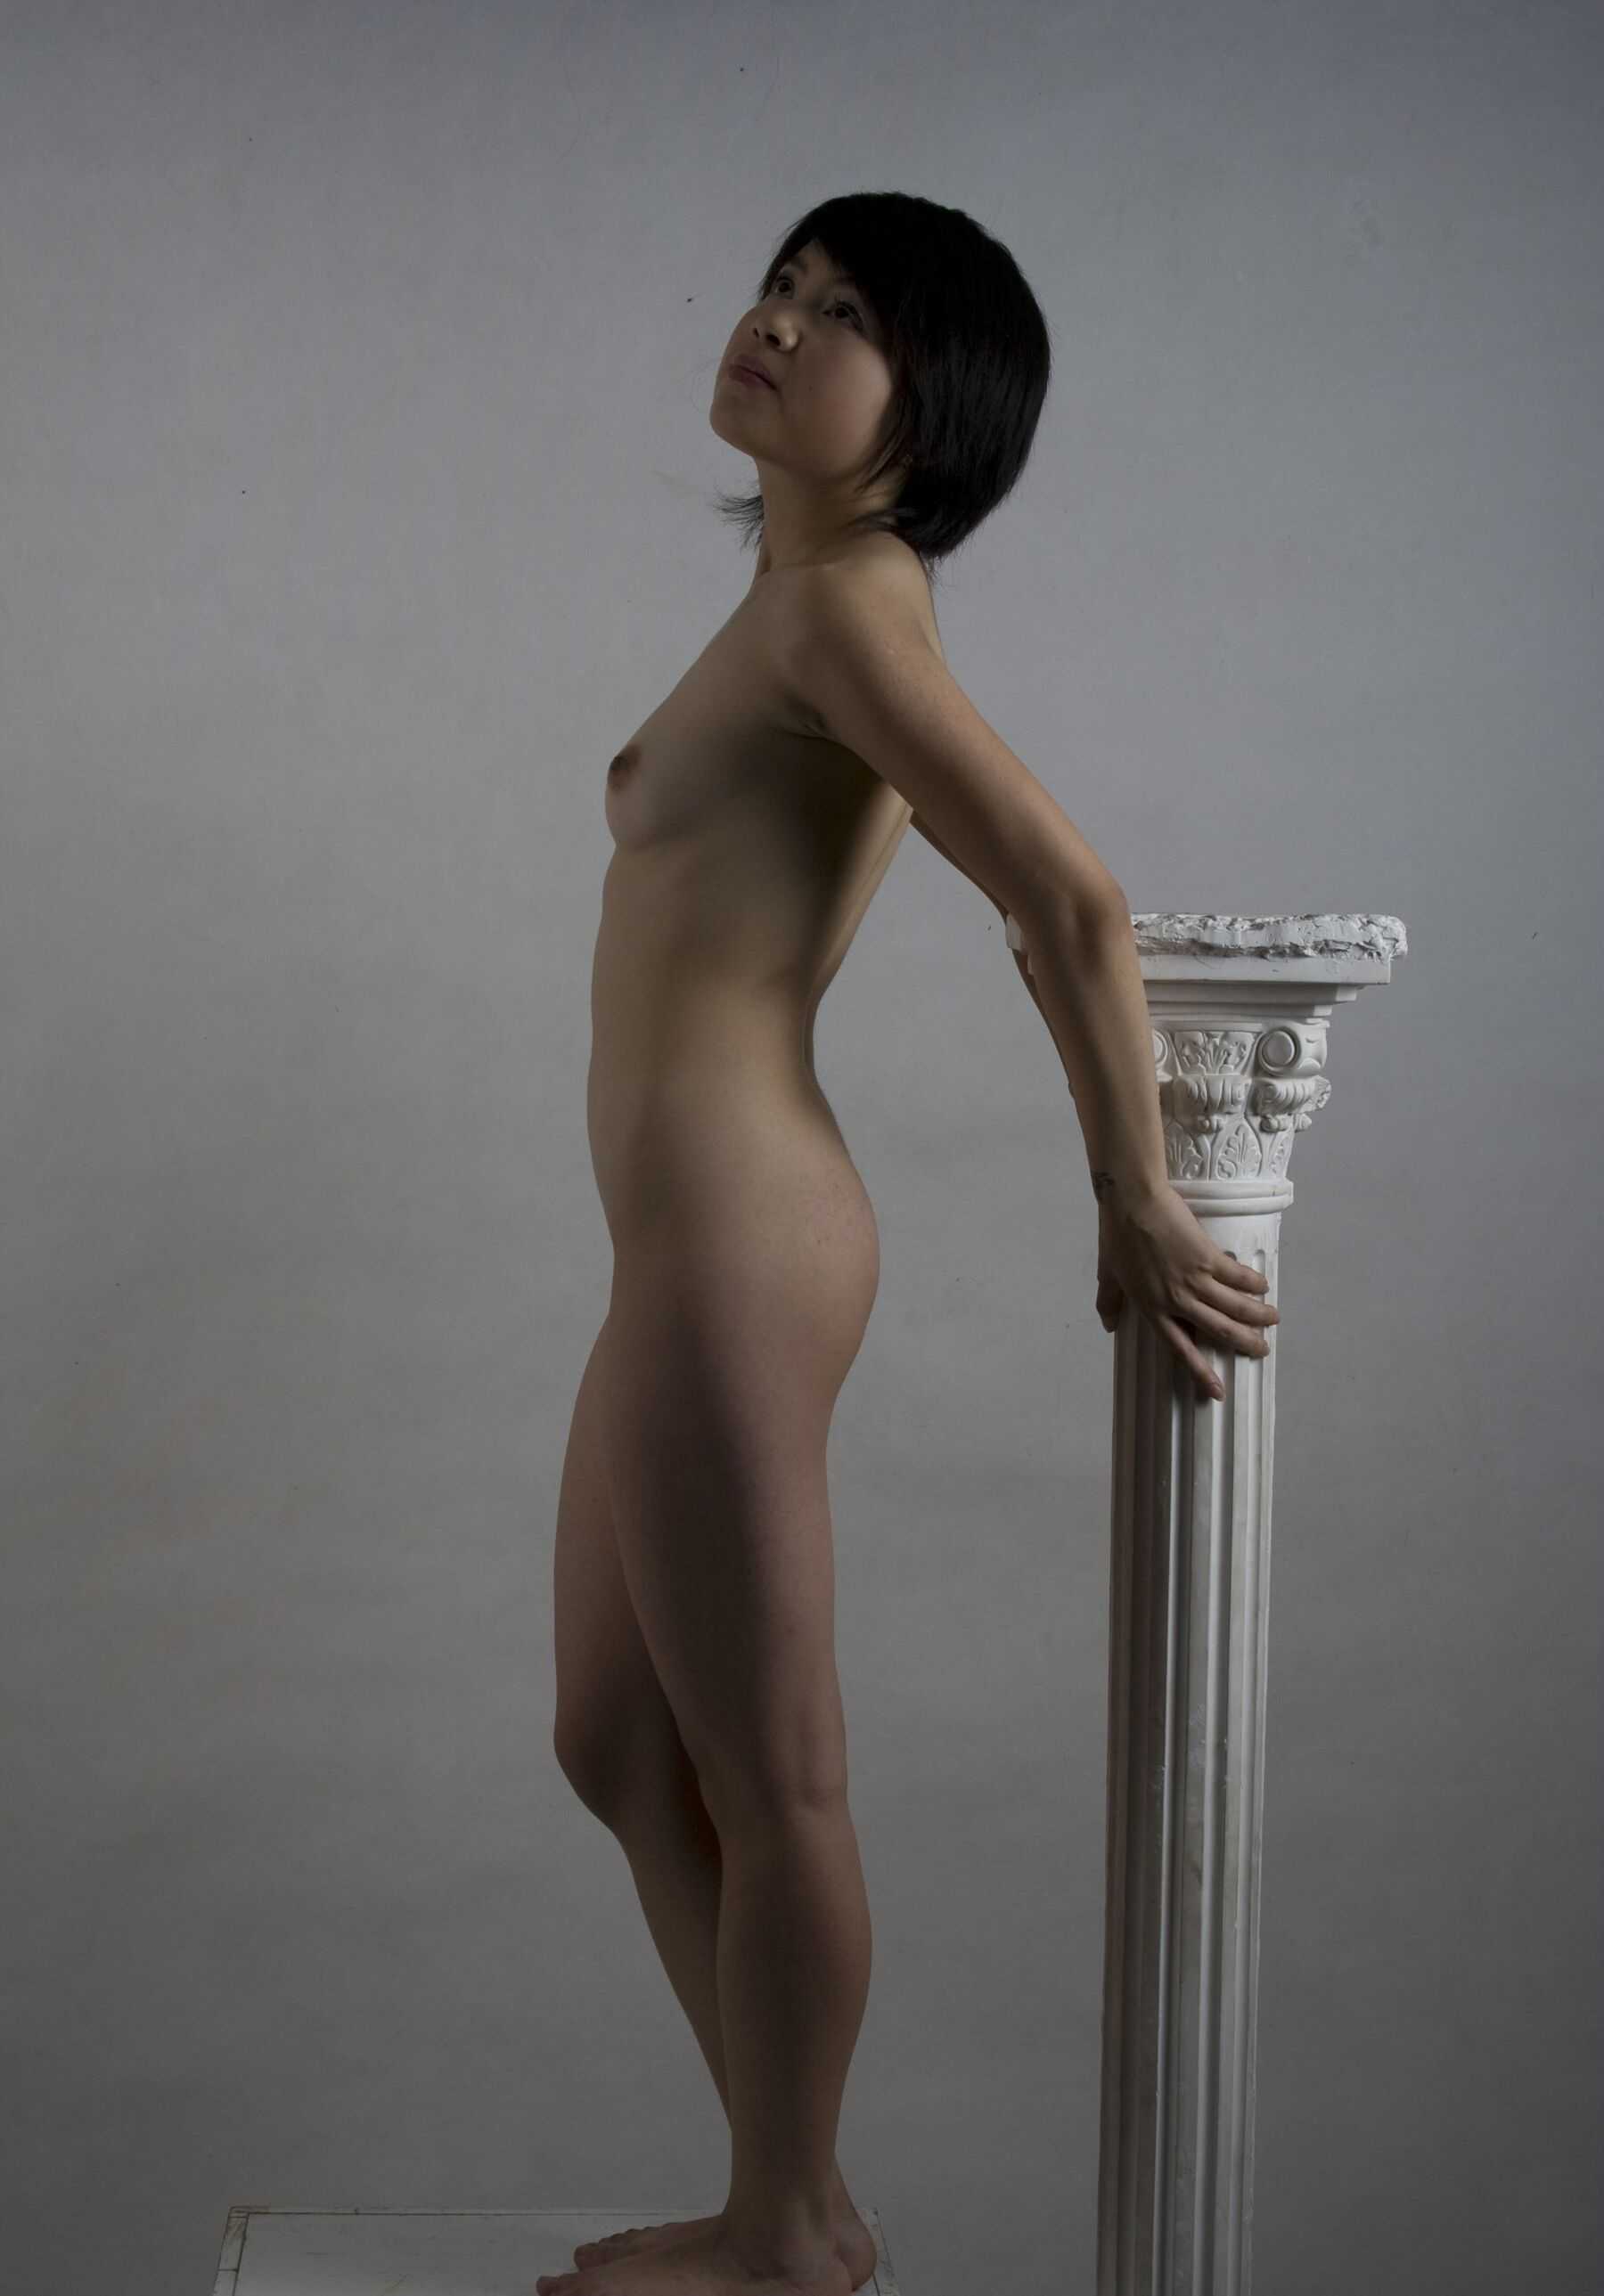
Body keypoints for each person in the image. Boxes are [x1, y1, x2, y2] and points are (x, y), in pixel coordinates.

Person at [541, 192, 1279, 2296]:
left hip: (739, 1235)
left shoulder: (844, 612)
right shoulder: (802, 602)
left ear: (928, 409)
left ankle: (786, 2224)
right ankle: (796, 2181)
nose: (778, 321)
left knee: (773, 1767)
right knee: (615, 1736)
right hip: (682, 1240)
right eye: (783, 283)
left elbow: (1070, 896)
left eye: (844, 312)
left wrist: (1132, 1188)